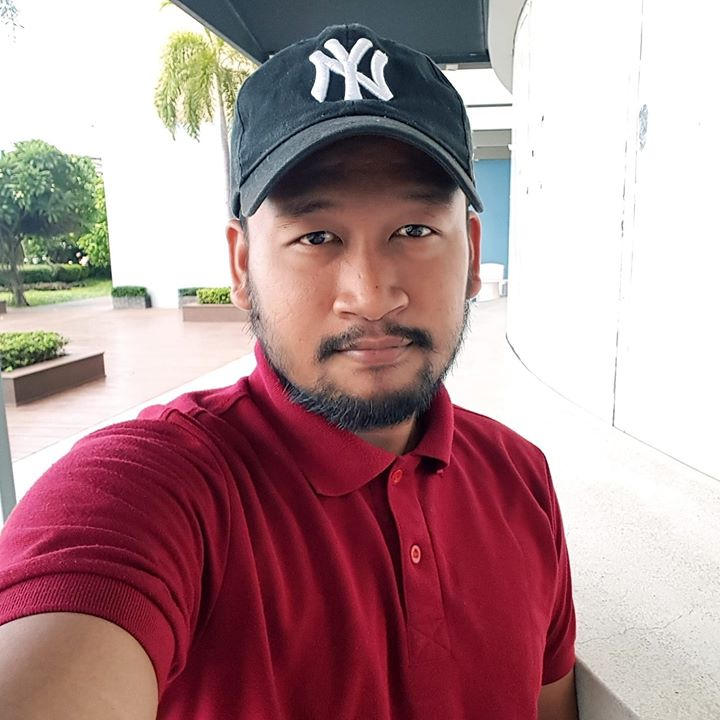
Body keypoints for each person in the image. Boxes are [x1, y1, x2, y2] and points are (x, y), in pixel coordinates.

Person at [0, 23, 577, 720]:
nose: (371, 295)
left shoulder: (521, 478)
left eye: (415, 231)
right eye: (316, 236)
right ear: (243, 266)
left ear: (473, 255)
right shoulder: (159, 487)